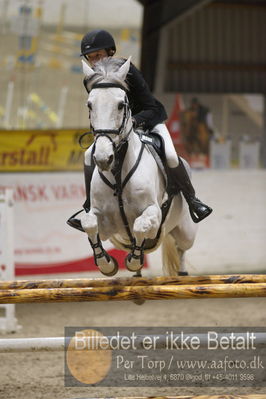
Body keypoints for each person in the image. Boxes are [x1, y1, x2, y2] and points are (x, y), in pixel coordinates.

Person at [68, 29, 212, 230]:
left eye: (98, 56)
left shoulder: (129, 71)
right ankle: (89, 206)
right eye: (90, 58)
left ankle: (193, 200)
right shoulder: (90, 79)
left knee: (170, 154)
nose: (95, 62)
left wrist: (133, 122)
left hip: (147, 120)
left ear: (110, 52)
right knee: (87, 155)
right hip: (115, 131)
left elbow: (151, 107)